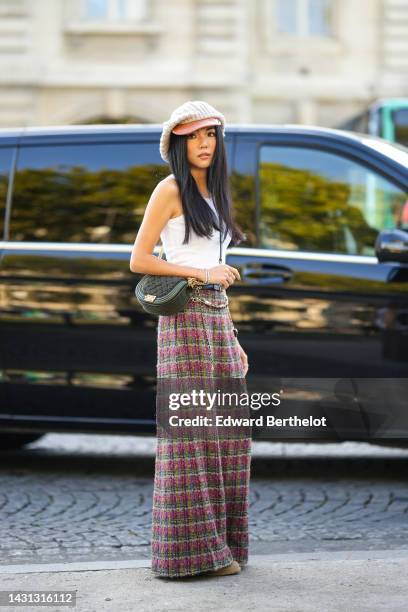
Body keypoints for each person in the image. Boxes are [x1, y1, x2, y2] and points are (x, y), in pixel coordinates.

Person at [130, 100, 251, 579]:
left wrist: (235, 337)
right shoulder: (169, 189)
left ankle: (221, 546)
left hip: (217, 319)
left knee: (228, 437)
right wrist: (202, 273)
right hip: (183, 321)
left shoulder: (216, 191)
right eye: (193, 137)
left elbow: (217, 268)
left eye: (211, 135)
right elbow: (140, 259)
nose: (204, 144)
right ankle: (188, 556)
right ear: (178, 146)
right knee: (190, 437)